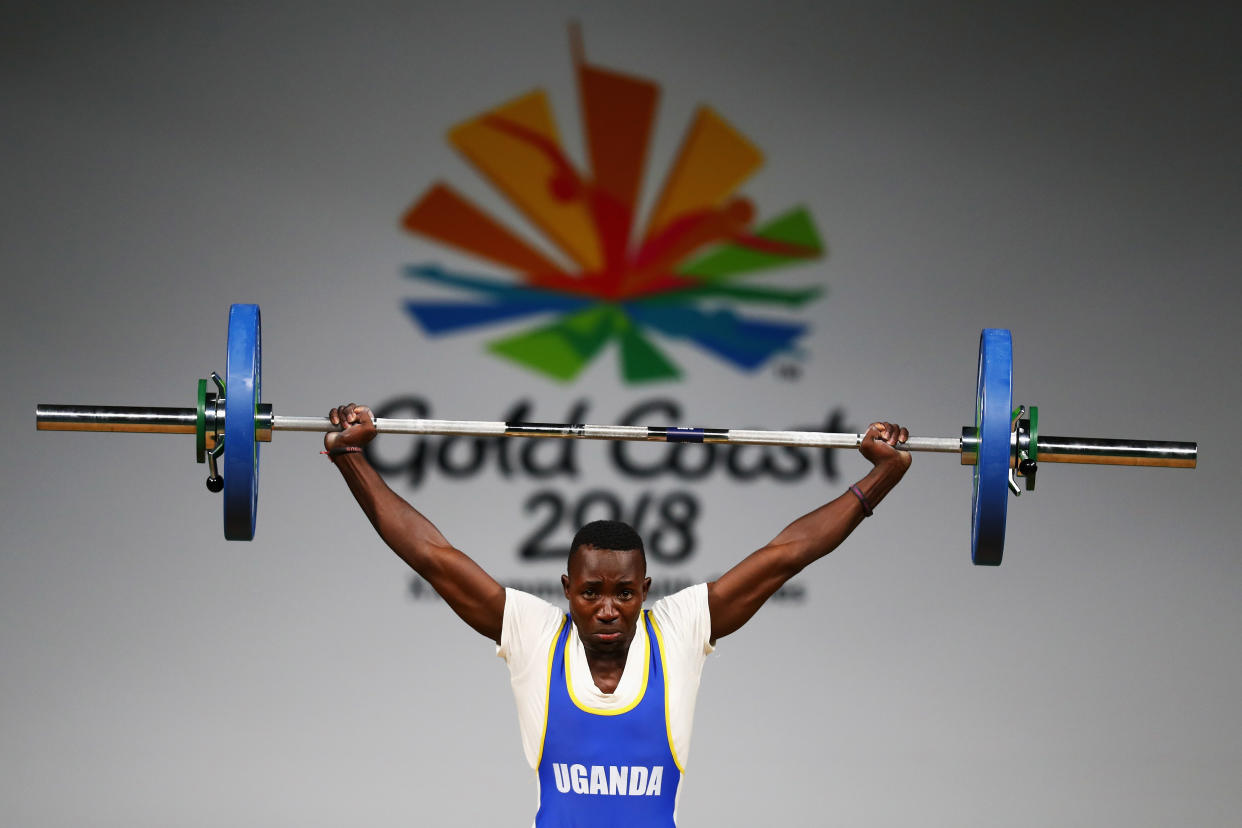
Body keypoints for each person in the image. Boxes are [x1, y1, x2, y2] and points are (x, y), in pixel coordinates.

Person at [325, 404, 911, 827]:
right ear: (566, 589)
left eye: (625, 594)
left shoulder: (679, 629)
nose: (608, 608)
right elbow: (432, 557)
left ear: (647, 590)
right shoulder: (534, 633)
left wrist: (878, 478)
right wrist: (351, 459)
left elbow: (787, 554)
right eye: (591, 593)